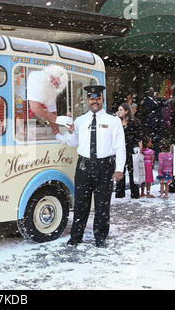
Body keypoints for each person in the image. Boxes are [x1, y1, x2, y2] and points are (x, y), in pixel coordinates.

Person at [66, 85, 126, 248]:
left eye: (98, 98)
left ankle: (100, 237)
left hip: (104, 167)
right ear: (87, 100)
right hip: (84, 166)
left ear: (102, 100)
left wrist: (119, 168)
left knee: (102, 205)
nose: (95, 101)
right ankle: (76, 237)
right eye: (92, 99)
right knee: (80, 203)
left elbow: (120, 146)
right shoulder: (80, 120)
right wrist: (71, 131)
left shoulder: (113, 121)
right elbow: (72, 143)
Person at [26, 64, 72, 138]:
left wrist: (57, 134)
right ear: (50, 74)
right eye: (53, 79)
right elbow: (35, 109)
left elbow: (52, 112)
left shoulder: (50, 90)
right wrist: (57, 119)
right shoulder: (35, 77)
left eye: (57, 83)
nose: (53, 83)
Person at [115, 103, 142, 199]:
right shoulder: (116, 122)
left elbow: (139, 138)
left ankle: (134, 193)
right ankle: (119, 193)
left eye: (121, 110)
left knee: (132, 171)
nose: (119, 112)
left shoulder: (134, 122)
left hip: (131, 149)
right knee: (120, 170)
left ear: (126, 111)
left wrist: (140, 150)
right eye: (118, 110)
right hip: (120, 150)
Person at [140, 87, 167, 158]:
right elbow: (149, 109)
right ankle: (154, 154)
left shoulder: (156, 99)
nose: (152, 92)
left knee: (157, 140)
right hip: (151, 124)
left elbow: (165, 103)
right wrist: (157, 103)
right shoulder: (146, 100)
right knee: (152, 140)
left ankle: (157, 154)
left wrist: (160, 98)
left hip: (157, 124)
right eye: (150, 91)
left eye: (153, 91)